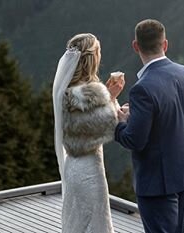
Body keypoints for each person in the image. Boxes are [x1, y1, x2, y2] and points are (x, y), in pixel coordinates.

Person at [115, 19, 184, 233]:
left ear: (136, 46)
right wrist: (136, 116)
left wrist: (119, 122)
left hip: (156, 181)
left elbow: (134, 140)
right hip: (183, 172)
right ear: (165, 44)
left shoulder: (142, 89)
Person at [52, 33, 125, 233]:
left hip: (72, 167)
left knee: (77, 222)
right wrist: (112, 97)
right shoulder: (87, 93)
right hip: (89, 169)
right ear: (92, 58)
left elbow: (82, 126)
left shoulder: (66, 90)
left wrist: (108, 97)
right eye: (98, 52)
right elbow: (103, 126)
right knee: (95, 222)